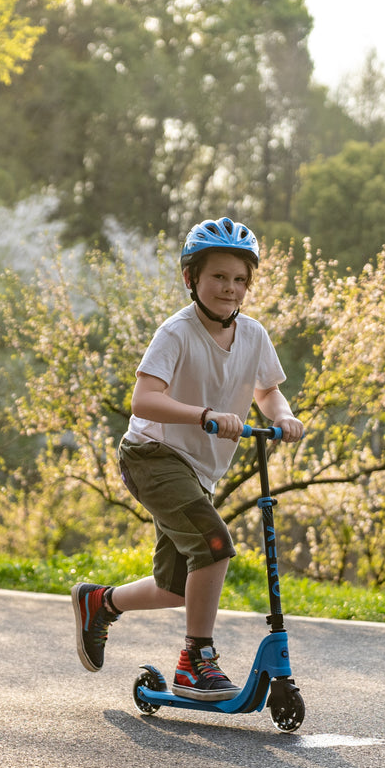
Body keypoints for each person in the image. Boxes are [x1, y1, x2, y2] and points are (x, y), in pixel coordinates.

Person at [70, 217, 304, 700]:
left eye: (239, 279)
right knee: (214, 545)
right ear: (191, 278)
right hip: (151, 454)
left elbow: (267, 390)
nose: (230, 287)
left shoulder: (254, 334)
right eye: (218, 276)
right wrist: (204, 416)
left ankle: (101, 603)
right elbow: (144, 400)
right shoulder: (177, 332)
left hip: (198, 470)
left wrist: (284, 416)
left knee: (177, 586)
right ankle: (195, 661)